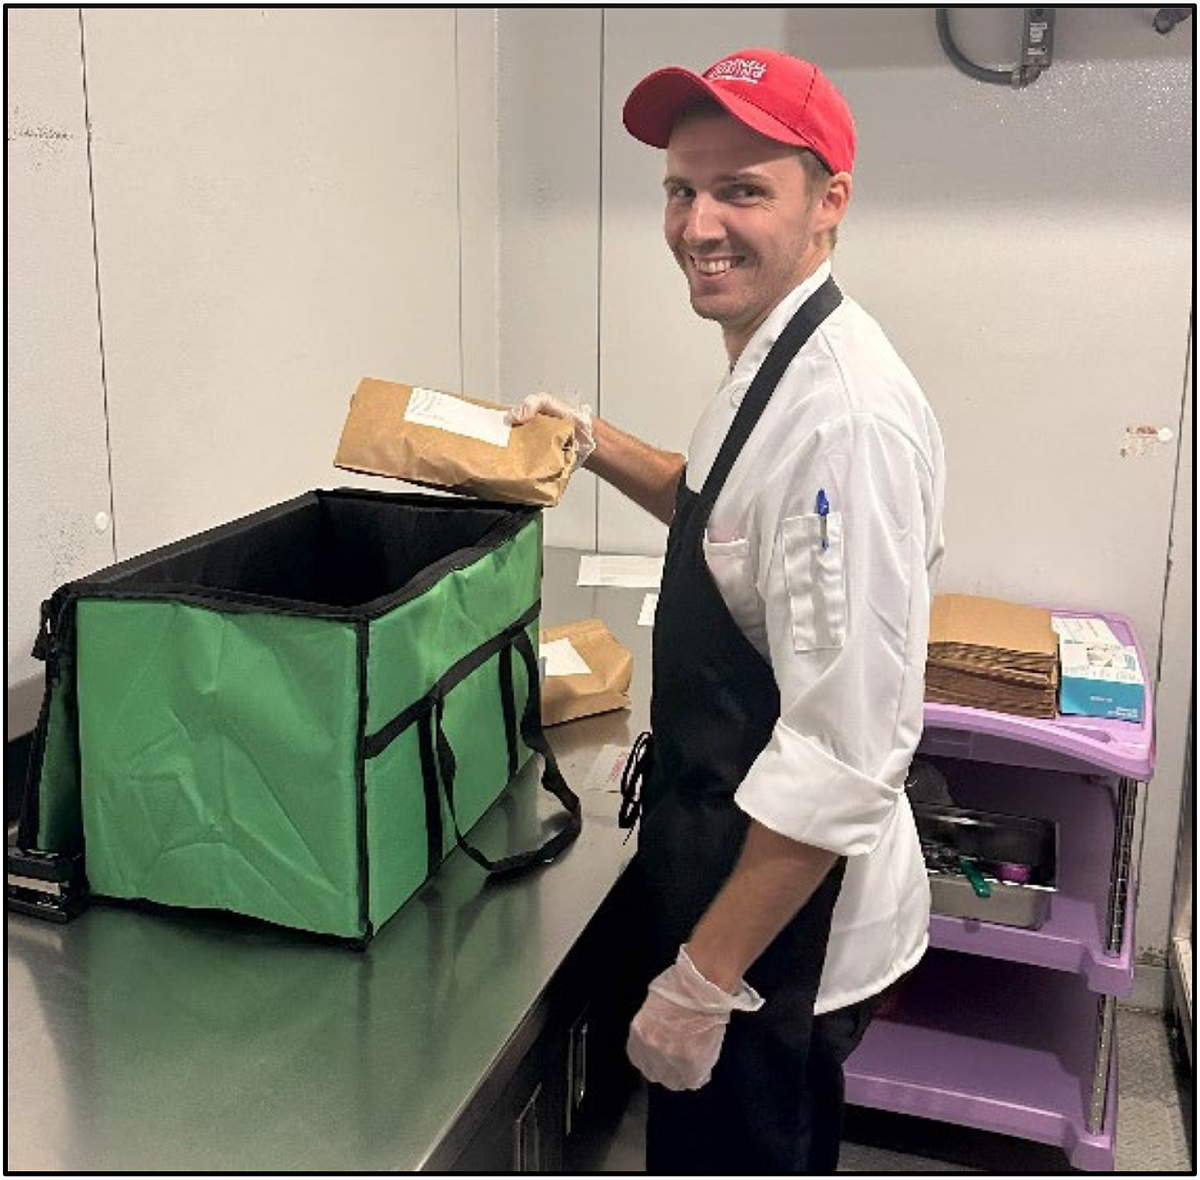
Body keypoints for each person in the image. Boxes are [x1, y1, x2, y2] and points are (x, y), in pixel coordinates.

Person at [508, 47, 945, 1173]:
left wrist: (702, 982)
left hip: (782, 938)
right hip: (737, 875)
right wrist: (593, 440)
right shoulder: (777, 354)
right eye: (680, 188)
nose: (699, 223)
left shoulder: (845, 421)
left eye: (742, 189)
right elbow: (718, 511)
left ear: (829, 201)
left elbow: (845, 753)